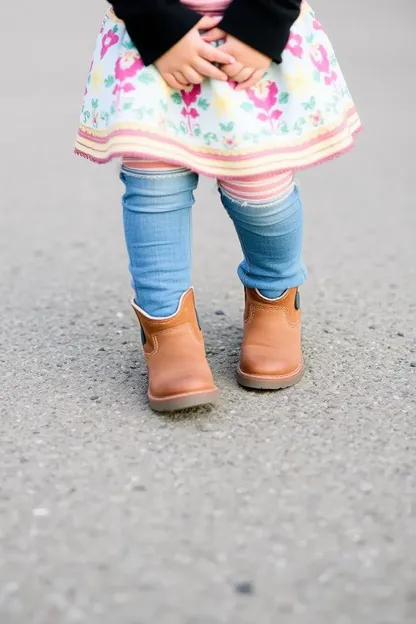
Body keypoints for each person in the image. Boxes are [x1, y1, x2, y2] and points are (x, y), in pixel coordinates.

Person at [75, 0, 361, 412]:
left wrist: (263, 19)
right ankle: (166, 325)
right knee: (154, 182)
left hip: (255, 41)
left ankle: (274, 294)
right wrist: (155, 20)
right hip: (153, 41)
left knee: (260, 184)